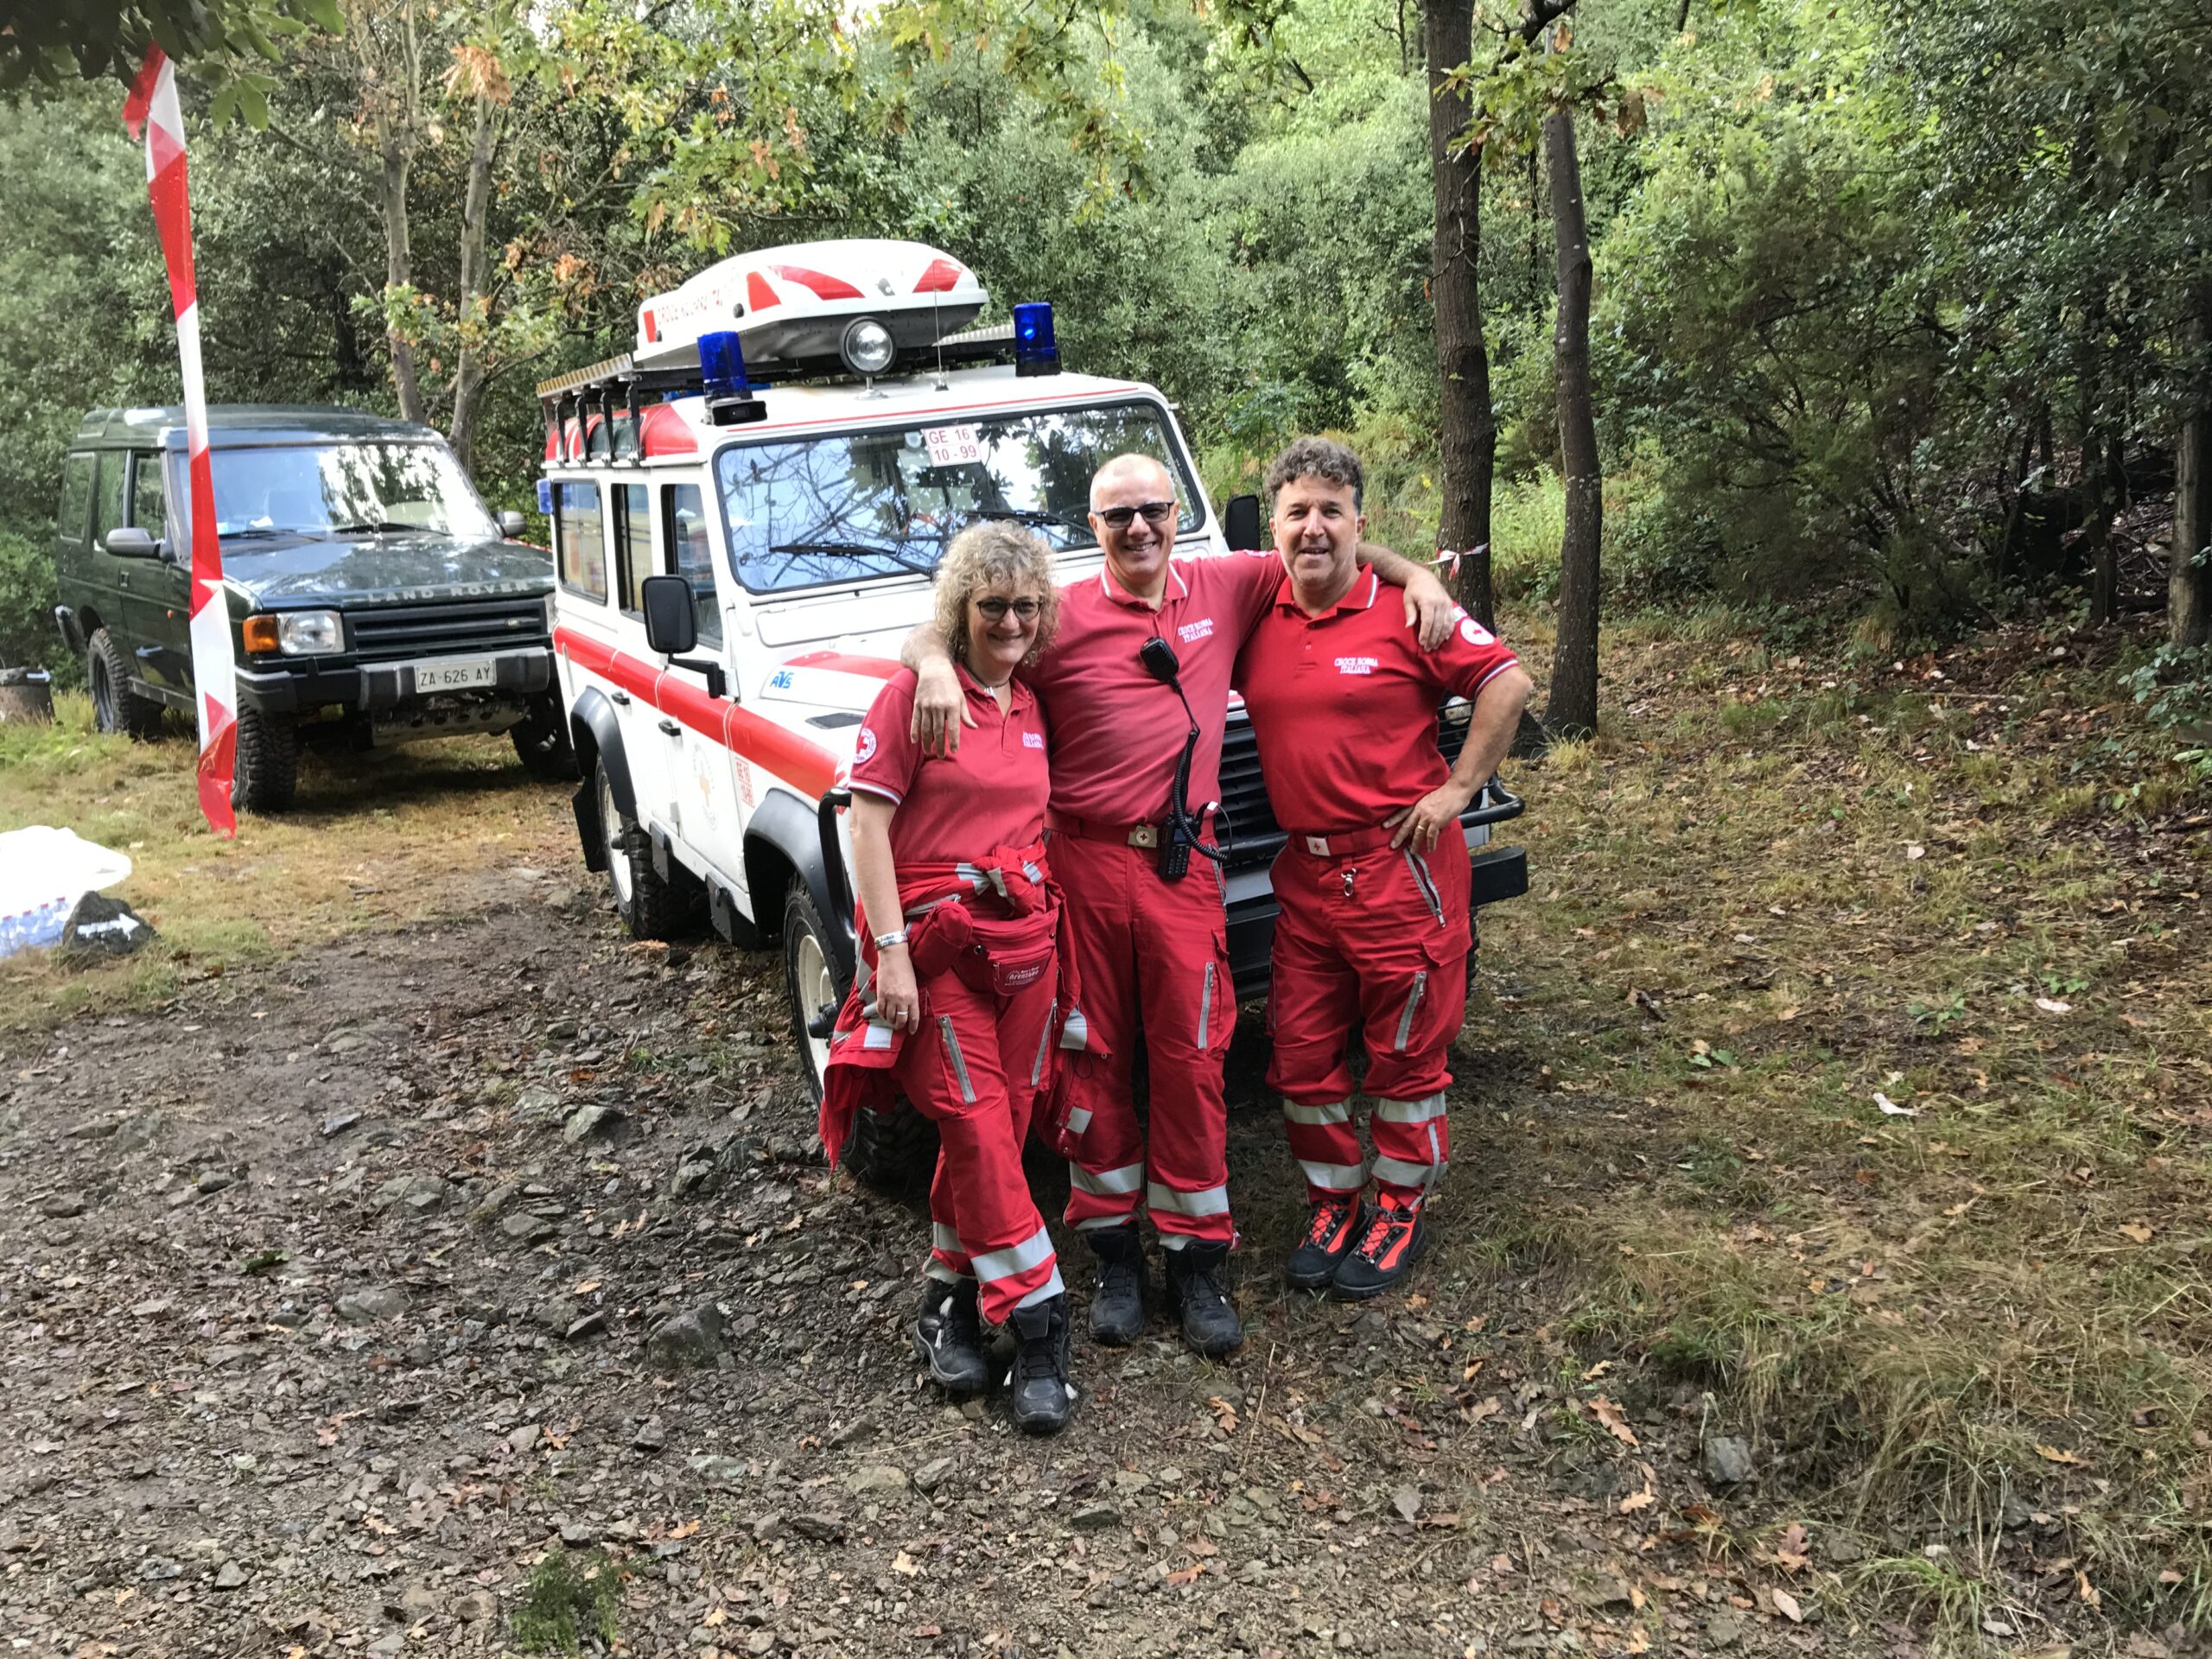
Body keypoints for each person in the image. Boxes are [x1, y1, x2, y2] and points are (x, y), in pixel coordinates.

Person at [904, 454, 1459, 1356]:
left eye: (1153, 511)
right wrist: (929, 660)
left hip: (1180, 868)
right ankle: (1116, 1253)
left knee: (1195, 1058)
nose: (1139, 529)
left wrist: (1420, 575)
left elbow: (1329, 548)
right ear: (1095, 529)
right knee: (1091, 1059)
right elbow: (961, 631)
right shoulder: (1056, 617)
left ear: (1177, 514)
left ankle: (1197, 1261)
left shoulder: (1225, 583)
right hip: (1079, 867)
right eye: (1117, 516)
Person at [1232, 436, 1533, 1300]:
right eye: (1297, 512)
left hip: (1401, 870)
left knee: (1402, 1057)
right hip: (1306, 879)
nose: (1314, 528)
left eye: (1332, 511)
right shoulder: (1259, 612)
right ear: (1276, 526)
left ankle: (1399, 1205)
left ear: (1359, 524)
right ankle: (1333, 1199)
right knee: (1299, 1051)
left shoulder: (1410, 611)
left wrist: (1459, 787)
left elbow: (1506, 684)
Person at [818, 523, 1077, 1433]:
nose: (1009, 621)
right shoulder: (914, 699)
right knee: (971, 1121)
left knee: (997, 1128)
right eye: (989, 605)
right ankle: (1041, 1322)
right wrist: (887, 949)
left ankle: (948, 1302)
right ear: (957, 611)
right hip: (935, 950)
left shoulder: (1031, 703)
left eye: (1023, 606)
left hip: (1024, 950)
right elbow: (865, 827)